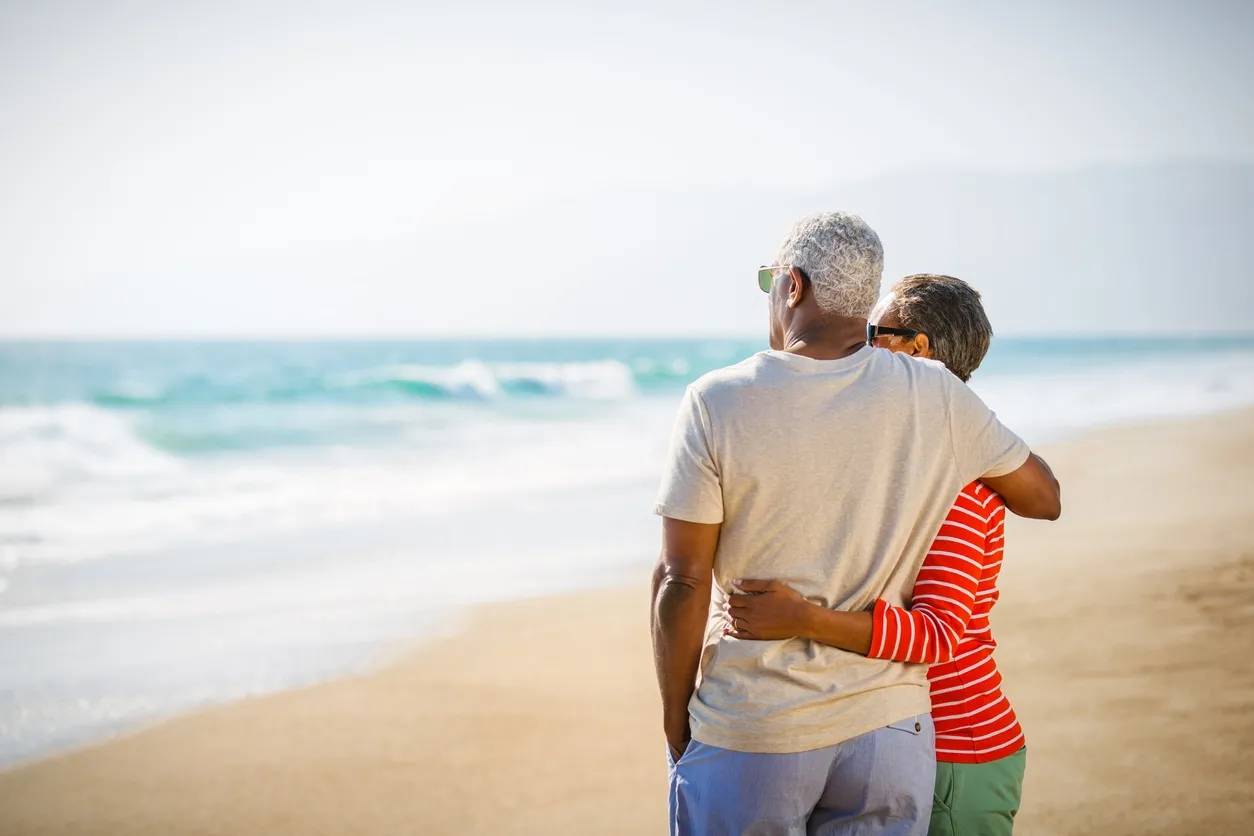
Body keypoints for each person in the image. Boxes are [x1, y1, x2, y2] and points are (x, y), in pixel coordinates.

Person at [650, 212, 1060, 836]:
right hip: (892, 730)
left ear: (792, 286)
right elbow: (1043, 495)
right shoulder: (936, 396)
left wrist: (675, 717)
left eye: (770, 283)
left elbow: (682, 579)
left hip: (761, 725)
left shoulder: (717, 399)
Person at [725, 274, 1037, 836]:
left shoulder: (960, 480)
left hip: (955, 753)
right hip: (900, 740)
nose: (859, 343)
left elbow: (938, 636)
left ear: (917, 351)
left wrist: (802, 619)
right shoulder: (904, 452)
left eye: (874, 331)